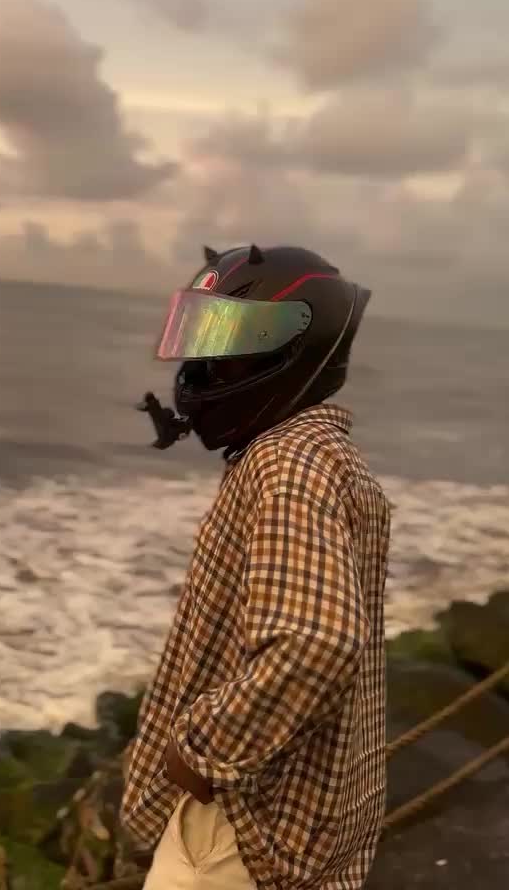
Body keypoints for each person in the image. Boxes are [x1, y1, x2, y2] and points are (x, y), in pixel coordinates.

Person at [122, 244, 391, 890]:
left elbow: (316, 641)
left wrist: (200, 749)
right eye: (203, 338)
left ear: (289, 349)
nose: (203, 366)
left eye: (230, 344)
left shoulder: (286, 465)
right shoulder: (326, 457)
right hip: (290, 822)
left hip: (236, 832)